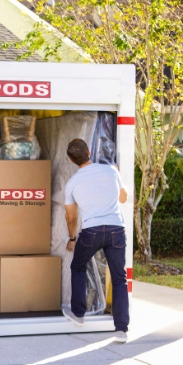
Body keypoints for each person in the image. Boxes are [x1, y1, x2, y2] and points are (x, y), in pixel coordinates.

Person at [62, 138, 130, 343]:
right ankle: (121, 330)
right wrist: (114, 176)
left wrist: (72, 238)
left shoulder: (72, 183)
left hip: (91, 232)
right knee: (119, 278)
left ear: (71, 160)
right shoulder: (111, 170)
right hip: (117, 230)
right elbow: (124, 198)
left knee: (78, 266)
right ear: (89, 152)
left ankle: (79, 314)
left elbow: (71, 217)